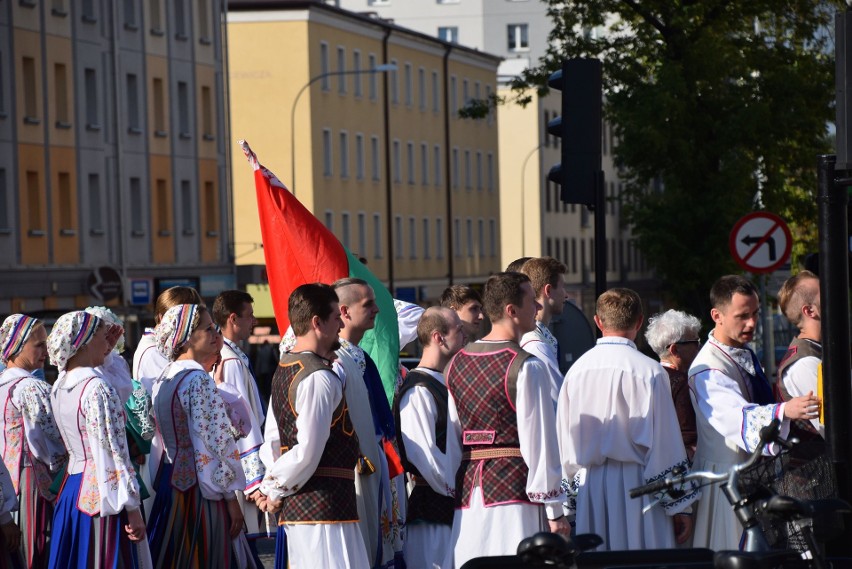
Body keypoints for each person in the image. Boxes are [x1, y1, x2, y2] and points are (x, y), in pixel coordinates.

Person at [558, 289, 698, 551]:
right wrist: (680, 505)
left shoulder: (576, 372)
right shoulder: (651, 371)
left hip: (592, 486)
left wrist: (568, 503)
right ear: (639, 322)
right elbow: (665, 445)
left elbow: (565, 446)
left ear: (598, 322)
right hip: (642, 488)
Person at [444, 272, 568, 567]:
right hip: (514, 496)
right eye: (531, 302)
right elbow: (539, 443)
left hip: (468, 498)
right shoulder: (526, 365)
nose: (537, 308)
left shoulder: (456, 362)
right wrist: (556, 512)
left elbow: (452, 442)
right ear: (512, 311)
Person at [688, 275, 820, 550]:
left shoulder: (740, 351)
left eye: (756, 313)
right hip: (728, 480)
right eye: (742, 316)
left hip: (753, 475)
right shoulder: (707, 370)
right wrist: (785, 410)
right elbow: (736, 417)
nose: (752, 323)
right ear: (717, 315)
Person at [256, 283, 369, 569]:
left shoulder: (287, 367)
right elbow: (307, 450)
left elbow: (272, 440)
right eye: (335, 318)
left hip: (311, 508)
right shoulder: (319, 377)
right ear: (317, 322)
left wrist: (275, 483)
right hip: (323, 511)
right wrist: (273, 487)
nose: (341, 326)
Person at [146, 304, 247, 569]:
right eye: (208, 328)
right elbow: (213, 443)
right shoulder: (197, 380)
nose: (216, 334)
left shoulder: (165, 377)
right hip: (200, 491)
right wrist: (230, 498)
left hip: (172, 482)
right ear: (187, 337)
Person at [47, 311, 148, 568]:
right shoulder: (97, 388)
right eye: (103, 337)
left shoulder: (61, 384)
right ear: (84, 342)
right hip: (102, 494)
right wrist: (133, 508)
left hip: (71, 488)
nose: (108, 343)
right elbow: (114, 452)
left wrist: (106, 355)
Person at [331, 278, 401, 568]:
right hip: (355, 467)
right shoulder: (335, 360)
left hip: (373, 459)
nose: (376, 310)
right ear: (344, 312)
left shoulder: (356, 355)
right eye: (368, 304)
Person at [391, 307, 465, 569]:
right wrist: (458, 491)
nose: (465, 334)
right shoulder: (419, 390)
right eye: (459, 329)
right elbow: (423, 454)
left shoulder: (445, 382)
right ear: (438, 337)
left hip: (451, 506)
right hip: (432, 510)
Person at [0, 315, 67, 568]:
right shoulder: (32, 388)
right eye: (39, 345)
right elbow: (53, 442)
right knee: (38, 548)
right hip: (33, 481)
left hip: (7, 484)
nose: (45, 351)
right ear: (16, 346)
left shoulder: (3, 384)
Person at [131, 286, 203, 513]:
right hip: (166, 450)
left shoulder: (161, 349)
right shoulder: (153, 351)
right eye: (178, 317)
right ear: (162, 317)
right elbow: (165, 405)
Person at [776, 270, 825, 452]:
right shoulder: (804, 363)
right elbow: (837, 429)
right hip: (815, 477)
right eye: (825, 291)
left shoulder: (816, 351)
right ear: (809, 310)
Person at [644, 309, 701, 462]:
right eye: (695, 342)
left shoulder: (647, 377)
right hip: (677, 467)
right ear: (674, 350)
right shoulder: (681, 382)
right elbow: (689, 436)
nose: (699, 347)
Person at [519, 257, 568, 406]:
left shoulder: (539, 337)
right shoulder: (536, 344)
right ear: (548, 290)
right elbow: (556, 403)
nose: (566, 294)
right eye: (562, 287)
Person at [212, 290, 264, 425]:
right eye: (250, 315)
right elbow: (239, 416)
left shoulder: (229, 354)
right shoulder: (230, 361)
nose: (254, 321)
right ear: (233, 319)